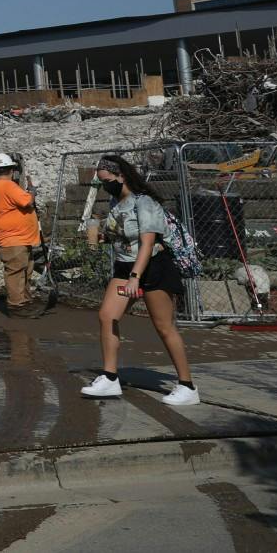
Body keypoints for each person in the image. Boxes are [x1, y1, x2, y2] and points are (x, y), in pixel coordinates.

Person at [80, 154, 197, 405]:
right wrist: (103, 238)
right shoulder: (115, 203)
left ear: (121, 176)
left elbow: (147, 243)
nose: (105, 186)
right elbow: (122, 236)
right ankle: (110, 378)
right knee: (107, 315)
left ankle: (187, 385)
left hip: (153, 266)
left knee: (163, 326)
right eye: (101, 182)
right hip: (125, 266)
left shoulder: (144, 203)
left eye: (108, 180)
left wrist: (136, 277)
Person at [0, 152, 41, 314]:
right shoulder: (8, 186)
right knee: (16, 271)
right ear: (11, 170)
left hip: (18, 237)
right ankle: (17, 306)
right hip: (14, 238)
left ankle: (23, 301)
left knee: (23, 270)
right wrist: (32, 190)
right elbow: (27, 201)